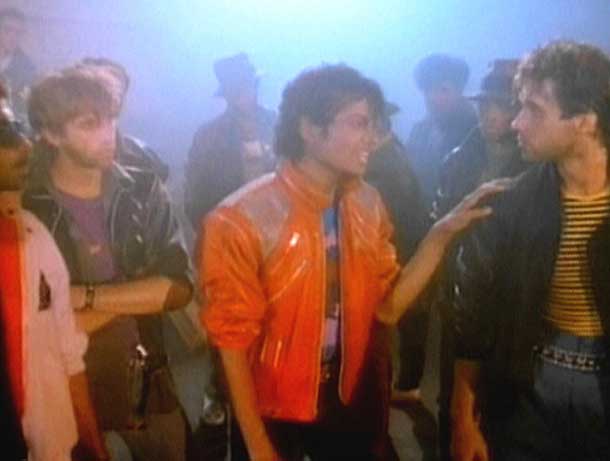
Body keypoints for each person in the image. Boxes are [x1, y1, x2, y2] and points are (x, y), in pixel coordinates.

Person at [200, 63, 504, 461]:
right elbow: (232, 342)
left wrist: (441, 234)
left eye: (373, 125)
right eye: (359, 123)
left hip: (349, 398)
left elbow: (389, 307)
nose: (372, 138)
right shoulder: (241, 218)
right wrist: (258, 445)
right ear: (310, 129)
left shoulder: (366, 203)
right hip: (274, 407)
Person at [451, 41, 610, 461]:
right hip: (530, 384)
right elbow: (474, 319)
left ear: (586, 120)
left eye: (534, 109)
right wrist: (463, 416)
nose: (516, 122)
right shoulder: (511, 204)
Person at [23, 71, 193, 461]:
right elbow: (38, 328)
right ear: (51, 134)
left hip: (150, 386)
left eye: (112, 119)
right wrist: (136, 293)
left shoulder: (141, 190)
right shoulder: (31, 207)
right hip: (71, 394)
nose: (108, 134)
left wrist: (80, 297)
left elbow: (177, 289)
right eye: (90, 124)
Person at [0, 86, 107, 460]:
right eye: (5, 134)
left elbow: (68, 355)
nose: (24, 145)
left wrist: (94, 447)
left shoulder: (33, 236)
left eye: (17, 128)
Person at [433, 58, 529, 461]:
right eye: (485, 104)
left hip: (510, 307)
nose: (489, 113)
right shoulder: (458, 159)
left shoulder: (537, 167)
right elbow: (439, 224)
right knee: (451, 403)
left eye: (501, 105)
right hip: (458, 298)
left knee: (502, 410)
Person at [184, 52, 276, 228]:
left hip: (281, 230)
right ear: (227, 95)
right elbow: (195, 199)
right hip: (231, 233)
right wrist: (217, 232)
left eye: (246, 86)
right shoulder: (208, 138)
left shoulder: (279, 126)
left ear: (255, 85)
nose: (243, 94)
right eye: (236, 90)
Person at [67, 57, 170, 181]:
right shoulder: (54, 152)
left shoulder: (144, 157)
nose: (109, 97)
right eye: (97, 89)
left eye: (117, 92)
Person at [408, 53, 478, 207]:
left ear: (459, 91)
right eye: (428, 90)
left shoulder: (475, 133)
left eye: (443, 90)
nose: (433, 97)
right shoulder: (419, 131)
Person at [0, 8, 36, 120]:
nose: (13, 36)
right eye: (8, 30)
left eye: (18, 32)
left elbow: (23, 107)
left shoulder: (27, 68)